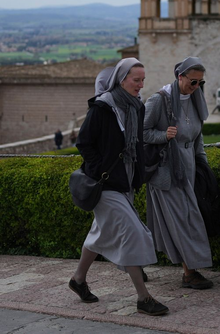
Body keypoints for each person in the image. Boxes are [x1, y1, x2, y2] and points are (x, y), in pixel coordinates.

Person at [70, 59, 168, 317]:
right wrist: (100, 167)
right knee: (133, 233)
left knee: (99, 233)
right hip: (104, 185)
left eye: (143, 80)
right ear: (122, 79)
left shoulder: (136, 107)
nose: (141, 85)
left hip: (124, 183)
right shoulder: (103, 107)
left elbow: (135, 145)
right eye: (136, 80)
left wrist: (138, 175)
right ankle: (143, 298)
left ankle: (78, 280)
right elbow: (84, 143)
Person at [143, 56, 214, 290]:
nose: (196, 87)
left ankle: (136, 262)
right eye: (192, 82)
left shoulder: (194, 100)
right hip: (167, 172)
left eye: (200, 83)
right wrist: (164, 136)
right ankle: (189, 273)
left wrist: (203, 165)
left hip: (189, 170)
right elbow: (140, 133)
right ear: (179, 77)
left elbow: (197, 137)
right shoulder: (158, 100)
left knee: (183, 218)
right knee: (183, 220)